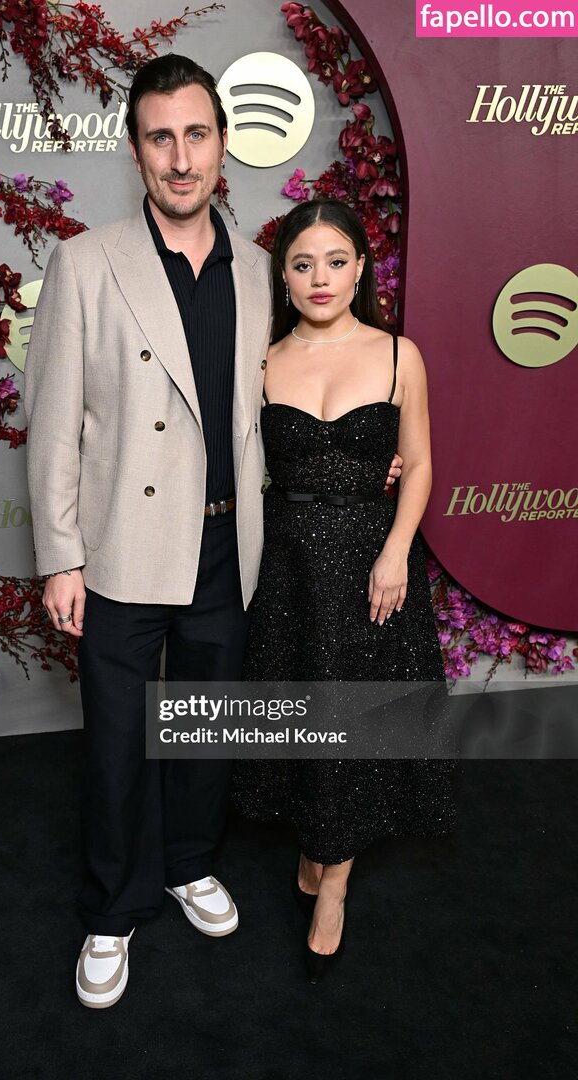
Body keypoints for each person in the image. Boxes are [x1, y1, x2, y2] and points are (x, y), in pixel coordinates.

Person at [25, 55, 401, 1008]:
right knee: (119, 740)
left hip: (229, 545)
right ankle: (114, 908)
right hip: (120, 544)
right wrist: (60, 557)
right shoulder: (86, 261)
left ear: (223, 145)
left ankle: (190, 862)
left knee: (202, 727)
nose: (181, 157)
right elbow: (54, 422)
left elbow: (293, 387)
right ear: (136, 150)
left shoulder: (260, 268)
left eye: (197, 134)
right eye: (161, 137)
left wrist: (368, 462)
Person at [232, 198, 455, 984]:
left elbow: (418, 464)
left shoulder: (399, 356)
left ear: (360, 267)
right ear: (284, 278)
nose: (319, 278)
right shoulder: (260, 361)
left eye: (334, 261)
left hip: (371, 566)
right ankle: (315, 841)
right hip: (289, 568)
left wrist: (395, 553)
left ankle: (334, 885)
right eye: (302, 264)